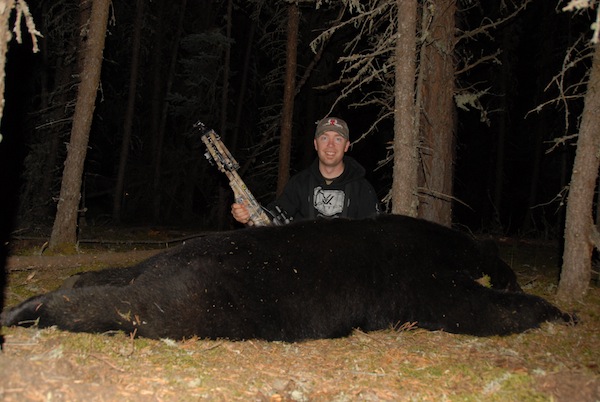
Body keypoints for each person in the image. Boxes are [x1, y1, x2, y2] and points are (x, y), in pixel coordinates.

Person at [231, 116, 380, 225]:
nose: (330, 146)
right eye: (324, 138)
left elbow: (375, 236)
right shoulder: (299, 183)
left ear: (346, 146)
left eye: (338, 139)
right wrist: (249, 217)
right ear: (315, 144)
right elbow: (275, 219)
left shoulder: (362, 189)